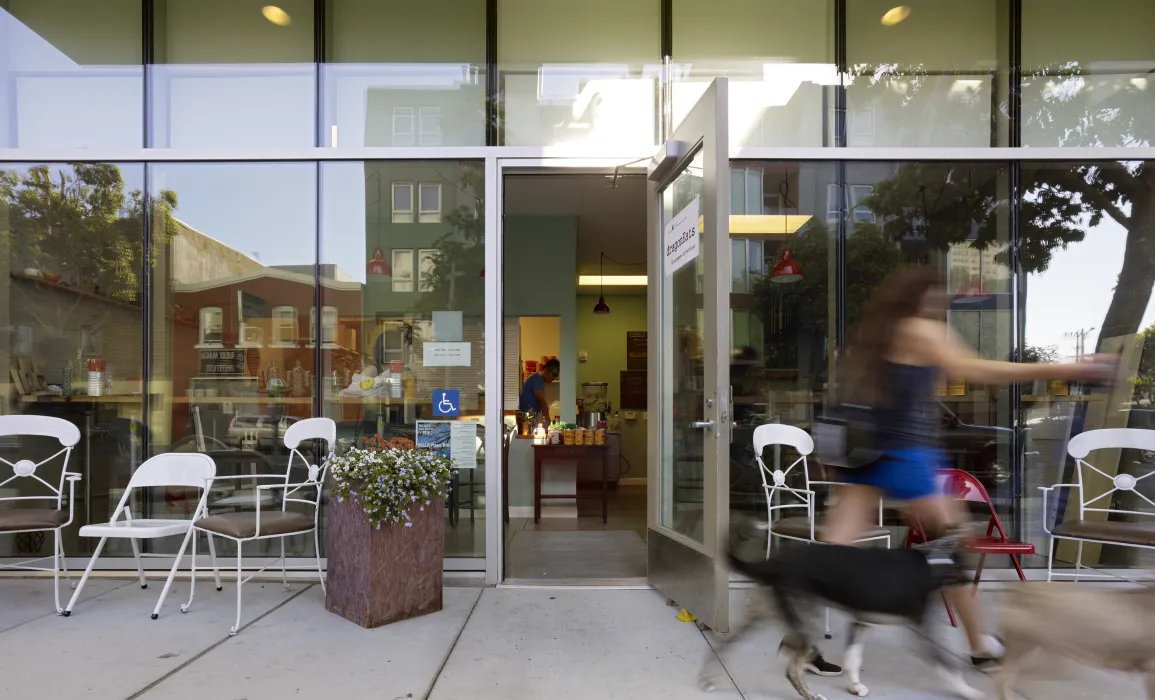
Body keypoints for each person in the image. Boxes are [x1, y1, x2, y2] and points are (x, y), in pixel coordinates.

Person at [816, 265, 1112, 674]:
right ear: (922, 297)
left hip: (862, 456)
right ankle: (981, 646)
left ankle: (799, 639)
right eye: (938, 295)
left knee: (835, 552)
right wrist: (1064, 369)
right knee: (948, 551)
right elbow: (977, 371)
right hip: (906, 457)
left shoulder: (874, 336)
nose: (942, 304)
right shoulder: (920, 329)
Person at [520, 358, 560, 423]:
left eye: (556, 376)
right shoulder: (536, 378)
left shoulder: (537, 380)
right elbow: (542, 402)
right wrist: (548, 422)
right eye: (554, 375)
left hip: (528, 418)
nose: (554, 378)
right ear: (547, 370)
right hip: (526, 419)